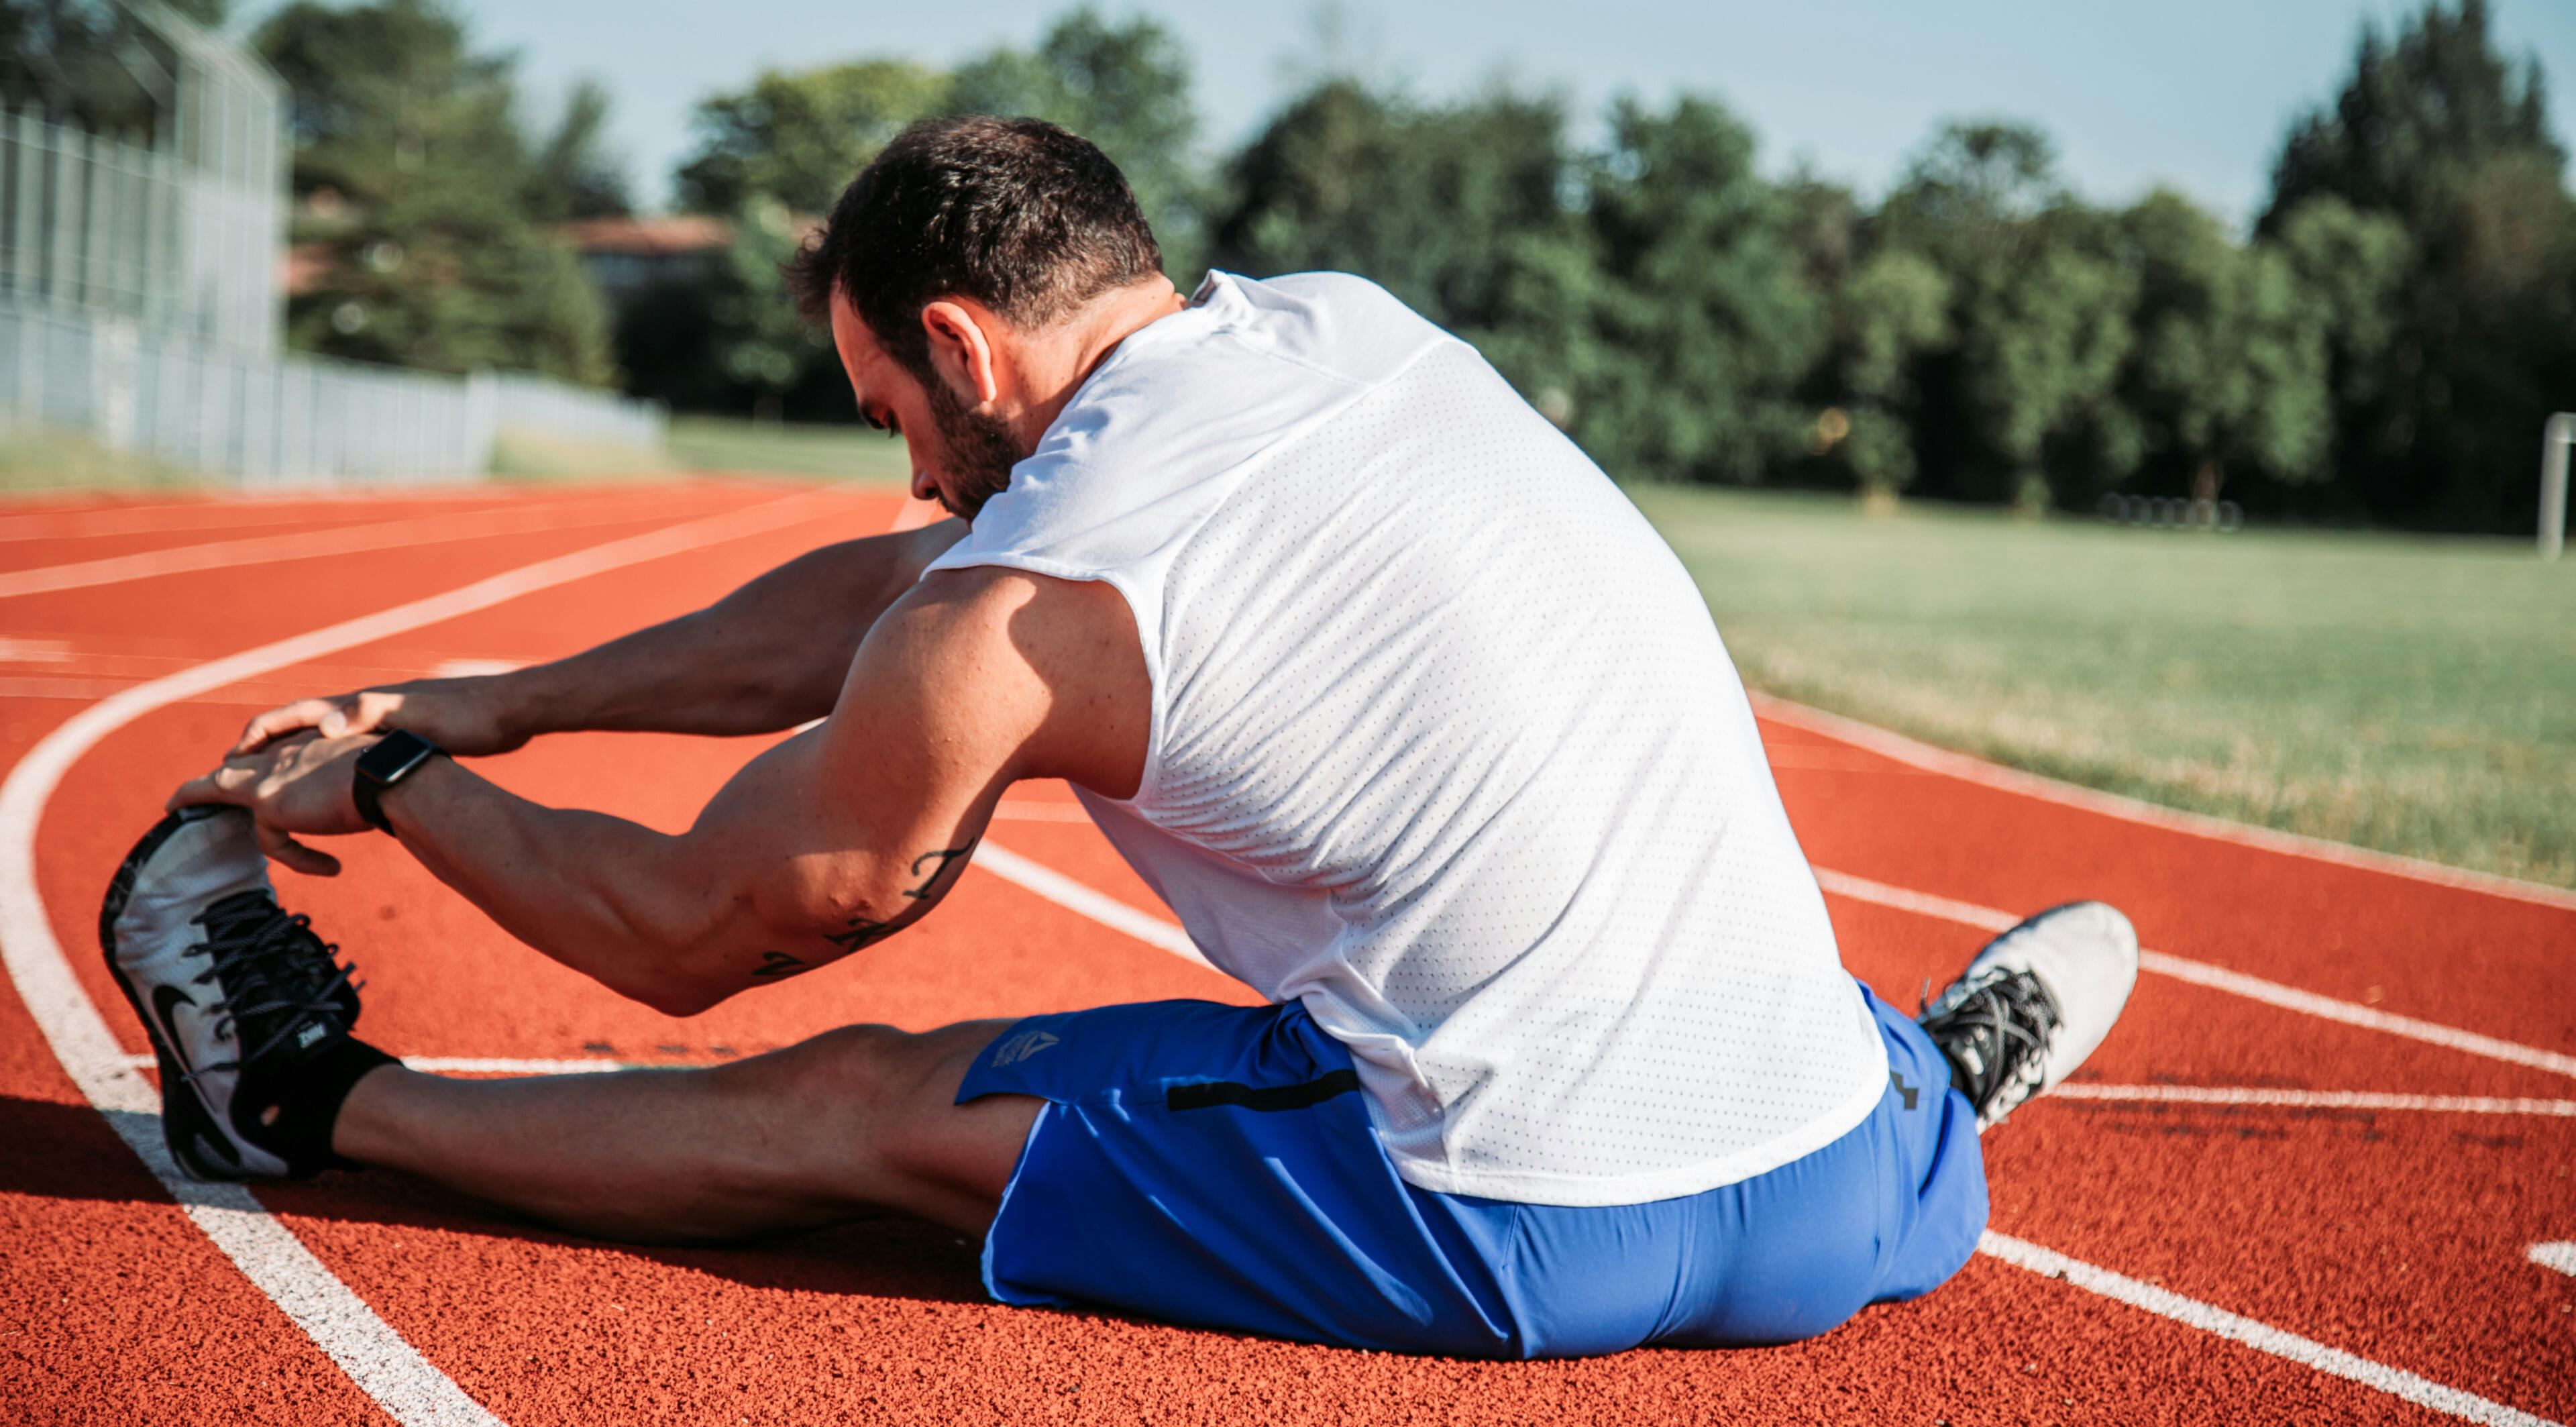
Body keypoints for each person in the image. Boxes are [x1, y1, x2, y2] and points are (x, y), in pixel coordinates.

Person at [105, 117, 2137, 1358]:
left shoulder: (1015, 609)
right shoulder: (1343, 330)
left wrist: (395, 779)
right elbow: (911, 596)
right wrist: (508, 700)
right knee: (1689, 922)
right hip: (1833, 1200)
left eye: (889, 412)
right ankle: (1933, 1087)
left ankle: (300, 1106)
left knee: (849, 1108)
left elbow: (691, 928)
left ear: (967, 351)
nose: (903, 473)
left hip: (1515, 1217)